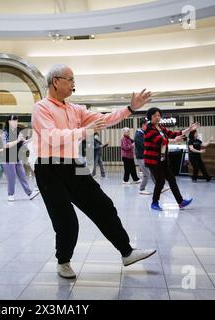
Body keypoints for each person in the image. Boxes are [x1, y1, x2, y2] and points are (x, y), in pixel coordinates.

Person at [32, 64, 156, 279]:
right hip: (48, 168)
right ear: (55, 82)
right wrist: (84, 131)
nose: (73, 84)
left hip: (74, 166)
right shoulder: (41, 107)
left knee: (103, 206)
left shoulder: (74, 109)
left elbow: (103, 119)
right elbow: (51, 137)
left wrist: (130, 109)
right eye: (70, 79)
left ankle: (126, 252)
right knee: (66, 221)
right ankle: (63, 261)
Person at [144, 107, 200, 211]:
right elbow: (160, 140)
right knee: (160, 181)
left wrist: (189, 129)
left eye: (159, 115)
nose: (158, 117)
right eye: (155, 115)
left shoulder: (160, 127)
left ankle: (180, 202)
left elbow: (173, 134)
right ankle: (154, 203)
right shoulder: (149, 129)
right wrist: (174, 140)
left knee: (171, 179)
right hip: (153, 160)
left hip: (163, 159)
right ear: (150, 117)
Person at [0, 114, 39, 202]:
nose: (15, 122)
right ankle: (10, 194)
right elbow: (6, 145)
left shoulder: (18, 132)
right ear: (9, 122)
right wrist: (17, 140)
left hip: (17, 158)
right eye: (13, 120)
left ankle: (29, 193)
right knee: (12, 177)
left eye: (16, 120)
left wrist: (31, 139)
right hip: (7, 159)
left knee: (23, 176)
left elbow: (23, 143)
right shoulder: (5, 133)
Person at [135, 118, 169, 195]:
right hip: (141, 157)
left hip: (145, 156)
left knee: (152, 173)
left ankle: (160, 187)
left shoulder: (143, 133)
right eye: (147, 125)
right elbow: (144, 145)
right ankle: (141, 189)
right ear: (143, 125)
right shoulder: (138, 134)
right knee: (146, 174)